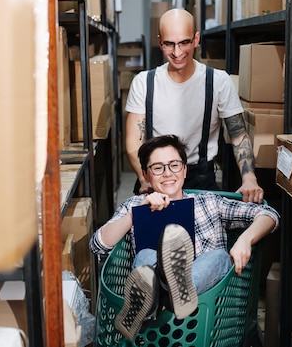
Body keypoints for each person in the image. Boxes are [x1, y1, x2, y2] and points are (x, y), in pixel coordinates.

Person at [89, 135, 280, 340]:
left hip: (204, 314)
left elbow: (269, 215)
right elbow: (98, 244)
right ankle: (165, 296)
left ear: (185, 169)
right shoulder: (135, 205)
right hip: (157, 321)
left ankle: (165, 297)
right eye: (158, 168)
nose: (167, 174)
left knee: (218, 258)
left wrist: (245, 239)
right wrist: (135, 214)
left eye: (174, 165)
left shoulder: (209, 202)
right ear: (145, 174)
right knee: (146, 257)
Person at [125, 8, 265, 203]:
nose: (177, 52)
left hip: (200, 179)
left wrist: (249, 177)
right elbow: (134, 141)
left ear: (196, 39)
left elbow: (238, 135)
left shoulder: (218, 81)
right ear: (159, 42)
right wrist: (144, 178)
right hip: (155, 179)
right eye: (169, 44)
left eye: (184, 42)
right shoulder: (144, 82)